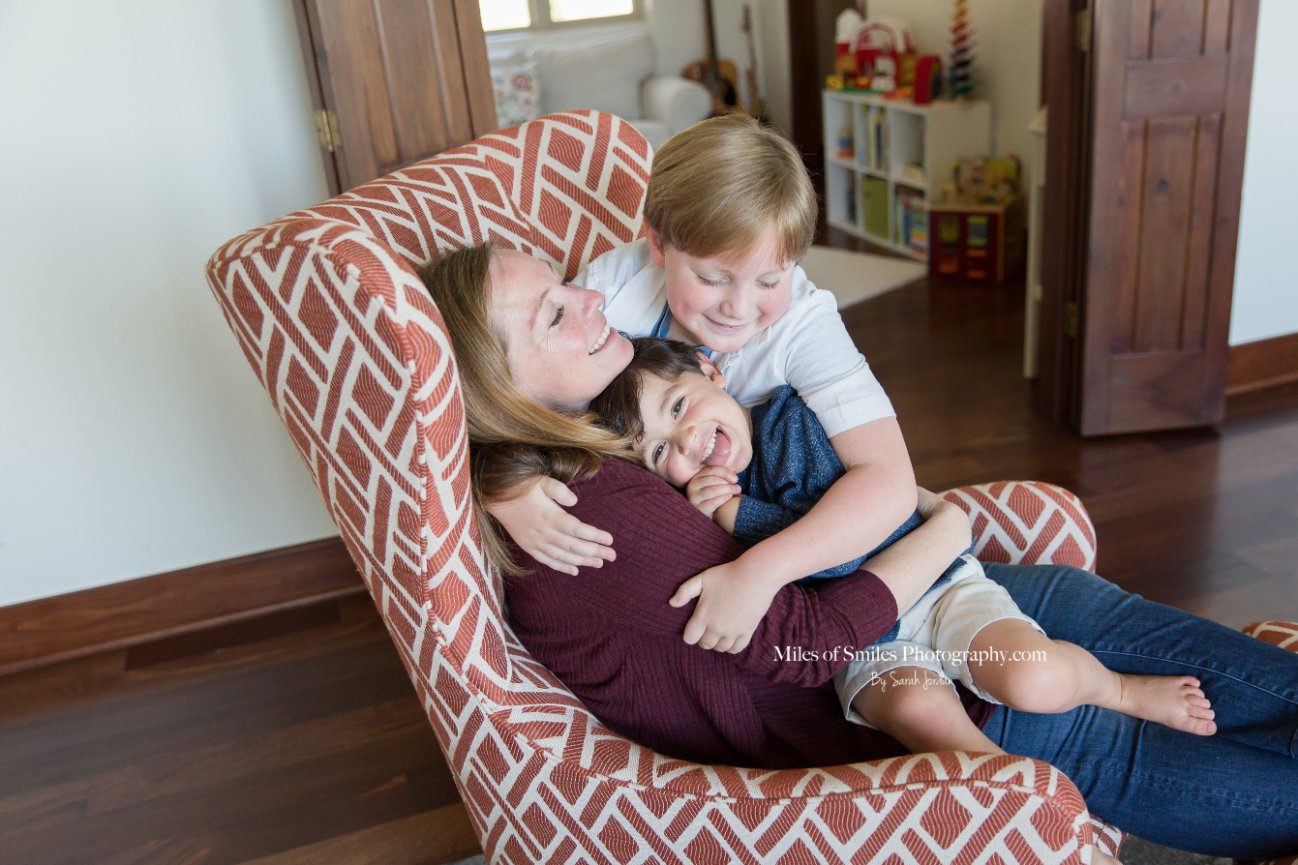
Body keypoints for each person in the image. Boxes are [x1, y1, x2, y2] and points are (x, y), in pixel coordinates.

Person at [416, 241, 1298, 859]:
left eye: (573, 287)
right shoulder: (594, 509)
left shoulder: (596, 430)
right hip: (932, 690)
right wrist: (949, 526)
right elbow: (815, 644)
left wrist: (503, 473)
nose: (594, 300)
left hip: (974, 596)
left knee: (1264, 686)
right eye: (554, 313)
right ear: (500, 384)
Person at [590, 335, 1218, 755]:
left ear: (710, 370)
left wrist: (737, 515)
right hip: (858, 643)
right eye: (660, 451)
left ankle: (1117, 689)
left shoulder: (785, 424)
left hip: (933, 588)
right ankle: (1009, 791)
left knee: (1035, 679)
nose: (689, 441)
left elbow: (840, 554)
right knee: (922, 717)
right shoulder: (691, 508)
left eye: (679, 406)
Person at [491, 113, 921, 658]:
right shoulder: (609, 294)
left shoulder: (804, 323)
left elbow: (888, 478)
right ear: (657, 245)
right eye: (712, 278)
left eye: (770, 279)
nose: (739, 310)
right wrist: (508, 486)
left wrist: (761, 571)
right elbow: (518, 399)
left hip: (793, 516)